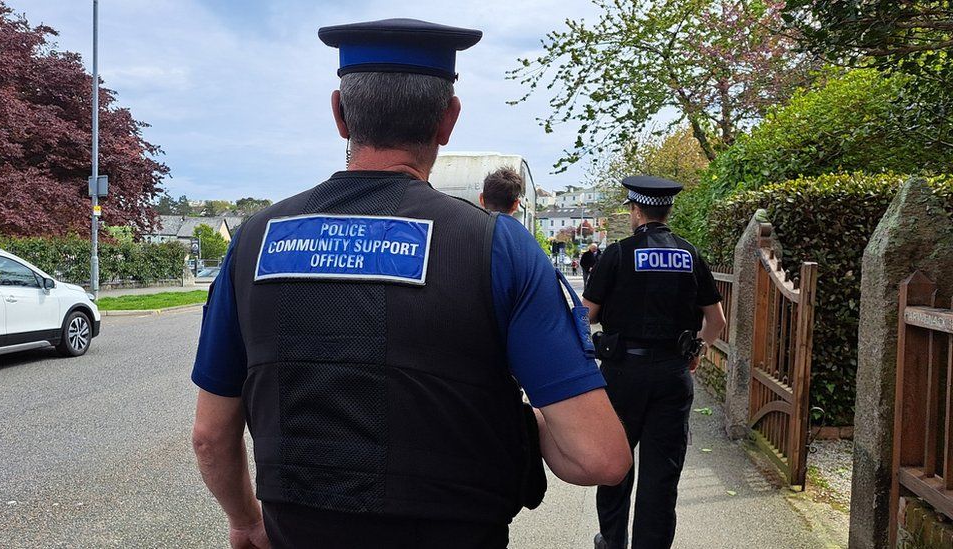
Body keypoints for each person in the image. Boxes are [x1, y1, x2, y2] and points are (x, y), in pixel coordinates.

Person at [190, 18, 631, 549]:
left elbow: (211, 437)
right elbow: (599, 458)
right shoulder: (498, 247)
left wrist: (245, 521)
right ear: (448, 120)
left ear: (339, 114)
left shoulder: (256, 240)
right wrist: (528, 422)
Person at [582, 175, 727, 549]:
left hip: (622, 374)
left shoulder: (617, 253)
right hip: (672, 374)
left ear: (635, 210)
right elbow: (717, 322)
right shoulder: (690, 254)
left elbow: (587, 315)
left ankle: (612, 540)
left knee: (616, 462)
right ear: (669, 210)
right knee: (662, 472)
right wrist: (694, 352)